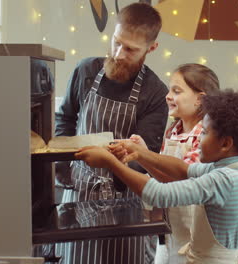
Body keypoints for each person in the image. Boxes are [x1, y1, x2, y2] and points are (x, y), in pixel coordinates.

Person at [76, 89, 238, 263]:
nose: (199, 139)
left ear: (225, 144)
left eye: (204, 133)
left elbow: (158, 194)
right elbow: (183, 170)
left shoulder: (224, 180)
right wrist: (140, 153)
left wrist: (111, 163)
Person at [54, 3, 169, 264]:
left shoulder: (154, 93)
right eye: (116, 42)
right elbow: (65, 119)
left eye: (131, 49)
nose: (118, 53)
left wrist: (125, 160)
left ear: (151, 48)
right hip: (78, 193)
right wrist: (65, 171)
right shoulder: (85, 71)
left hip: (124, 201)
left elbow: (144, 156)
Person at [129, 63, 220, 264]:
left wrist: (142, 155)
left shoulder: (207, 136)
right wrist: (143, 153)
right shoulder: (173, 131)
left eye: (176, 91)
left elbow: (181, 177)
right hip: (171, 231)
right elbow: (163, 175)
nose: (167, 96)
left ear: (200, 99)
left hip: (196, 237)